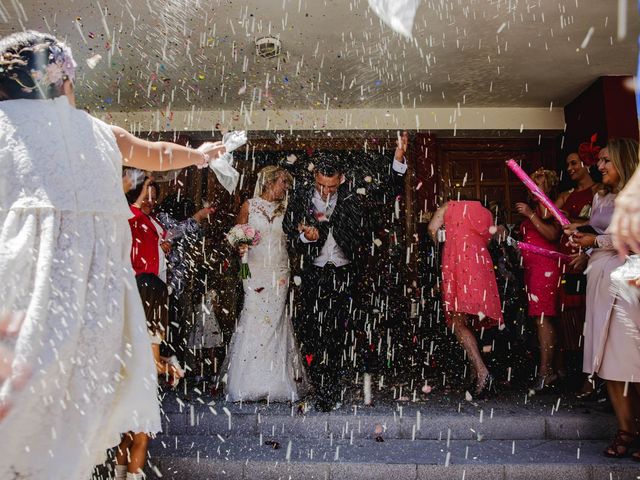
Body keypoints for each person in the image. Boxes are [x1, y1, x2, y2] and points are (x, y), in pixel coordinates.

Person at [0, 31, 228, 480]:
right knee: (75, 400)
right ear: (62, 81)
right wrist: (201, 156)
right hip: (90, 293)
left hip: (24, 277)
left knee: (26, 391)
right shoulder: (101, 133)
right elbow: (158, 153)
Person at [283, 135, 408, 411]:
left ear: (340, 179)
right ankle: (318, 382)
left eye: (330, 186)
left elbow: (388, 192)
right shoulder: (301, 196)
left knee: (338, 334)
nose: (325, 192)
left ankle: (330, 389)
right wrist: (305, 238)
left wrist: (397, 160)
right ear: (315, 176)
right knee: (313, 333)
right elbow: (288, 233)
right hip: (313, 276)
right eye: (320, 185)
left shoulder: (353, 196)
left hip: (344, 275)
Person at [564, 138, 640, 459]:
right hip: (599, 284)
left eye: (607, 160)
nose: (600, 165)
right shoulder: (600, 198)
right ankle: (625, 428)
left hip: (628, 287)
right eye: (601, 161)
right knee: (606, 360)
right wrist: (584, 245)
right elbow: (598, 235)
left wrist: (595, 239)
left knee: (632, 361)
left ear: (624, 161)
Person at [222, 165, 308, 402]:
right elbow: (236, 234)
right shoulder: (249, 205)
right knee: (255, 318)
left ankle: (276, 382)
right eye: (283, 182)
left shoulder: (287, 209)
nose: (285, 188)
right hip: (254, 270)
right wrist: (241, 244)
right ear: (270, 182)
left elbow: (295, 234)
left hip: (279, 271)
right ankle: (249, 382)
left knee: (276, 320)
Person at [428, 200, 503, 396]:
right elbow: (490, 238)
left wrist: (442, 241)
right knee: (471, 318)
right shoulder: (486, 212)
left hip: (458, 263)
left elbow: (432, 228)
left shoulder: (448, 206)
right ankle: (474, 374)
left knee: (456, 320)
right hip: (480, 263)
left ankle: (482, 371)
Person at [555, 151, 601, 395]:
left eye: (574, 163)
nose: (570, 168)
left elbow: (603, 229)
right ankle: (576, 374)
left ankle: (594, 378)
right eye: (568, 165)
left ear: (588, 163)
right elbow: (547, 213)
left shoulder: (600, 192)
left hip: (592, 259)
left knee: (592, 318)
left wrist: (588, 253)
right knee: (572, 319)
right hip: (568, 262)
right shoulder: (567, 196)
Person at [514, 169, 562, 392]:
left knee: (543, 318)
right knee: (540, 318)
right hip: (533, 270)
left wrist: (530, 214)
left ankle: (546, 372)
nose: (532, 186)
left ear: (549, 185)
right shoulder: (537, 208)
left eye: (538, 183)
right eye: (530, 183)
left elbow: (552, 234)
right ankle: (552, 369)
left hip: (546, 268)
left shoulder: (547, 206)